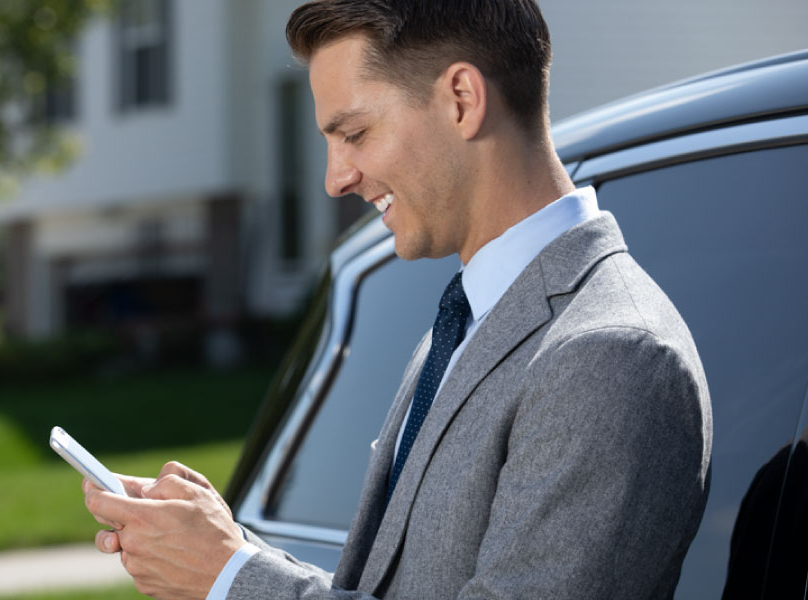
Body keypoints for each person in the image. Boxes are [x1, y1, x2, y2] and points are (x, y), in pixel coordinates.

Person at [82, 0, 713, 598]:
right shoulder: (467, 323)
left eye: (354, 133)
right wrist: (225, 552)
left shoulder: (611, 354)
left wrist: (229, 577)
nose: (335, 179)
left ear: (462, 100)